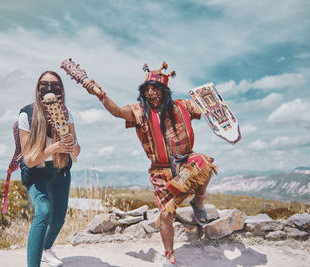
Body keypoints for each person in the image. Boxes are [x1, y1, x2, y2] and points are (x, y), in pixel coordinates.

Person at [83, 62, 217, 266]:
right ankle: (169, 255)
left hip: (185, 165)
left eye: (155, 89)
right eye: (147, 90)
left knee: (204, 163)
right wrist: (100, 95)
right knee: (165, 216)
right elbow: (118, 111)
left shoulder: (183, 105)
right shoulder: (139, 112)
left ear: (164, 91)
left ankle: (198, 201)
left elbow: (208, 109)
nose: (150, 93)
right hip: (160, 171)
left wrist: (214, 104)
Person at [19, 70, 80, 267]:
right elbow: (28, 159)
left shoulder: (66, 113)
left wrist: (72, 145)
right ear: (38, 89)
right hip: (37, 172)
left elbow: (76, 153)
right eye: (44, 84)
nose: (49, 88)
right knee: (44, 211)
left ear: (61, 90)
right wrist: (54, 148)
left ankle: (45, 249)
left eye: (55, 84)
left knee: (58, 221)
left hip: (60, 170)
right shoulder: (26, 114)